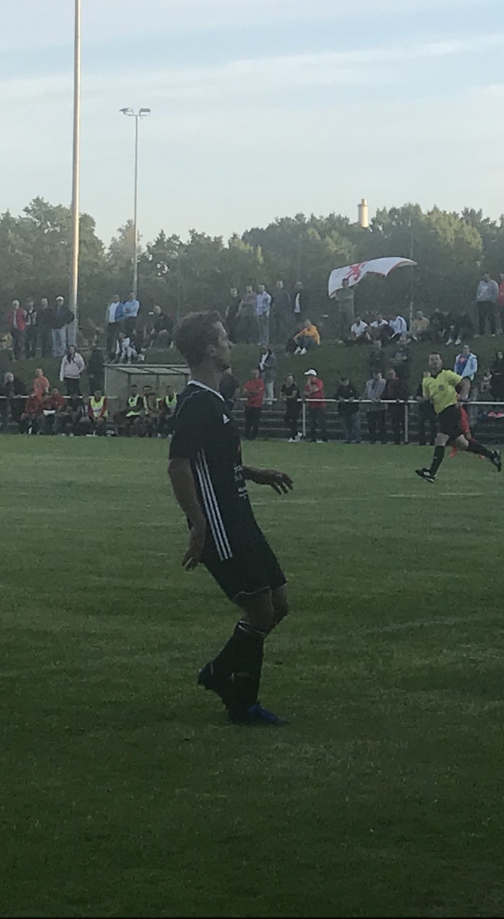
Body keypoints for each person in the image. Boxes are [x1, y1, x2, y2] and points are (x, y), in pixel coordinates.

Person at [165, 311, 293, 726]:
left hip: (239, 514)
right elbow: (178, 465)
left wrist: (253, 473)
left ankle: (221, 672)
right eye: (223, 339)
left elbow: (213, 460)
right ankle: (242, 703)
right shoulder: (196, 402)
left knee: (278, 604)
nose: (229, 344)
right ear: (209, 349)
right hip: (219, 522)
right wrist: (198, 523)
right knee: (260, 609)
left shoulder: (214, 399)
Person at [413, 351, 501, 482]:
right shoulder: (426, 380)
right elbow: (427, 397)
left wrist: (462, 398)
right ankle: (492, 455)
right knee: (463, 444)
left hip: (451, 410)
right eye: (432, 360)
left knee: (440, 439)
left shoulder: (447, 374)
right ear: (428, 363)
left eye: (437, 359)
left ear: (441, 361)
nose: (435, 362)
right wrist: (423, 399)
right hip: (441, 413)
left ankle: (431, 472)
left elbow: (465, 383)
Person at [240, 371, 265, 442]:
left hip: (257, 405)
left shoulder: (260, 382)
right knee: (248, 422)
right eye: (253, 374)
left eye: (256, 374)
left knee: (256, 422)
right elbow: (244, 393)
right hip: (249, 405)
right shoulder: (248, 383)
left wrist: (249, 393)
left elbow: (258, 391)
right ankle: (247, 436)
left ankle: (253, 436)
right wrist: (251, 393)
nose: (254, 375)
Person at [302, 369, 326, 442]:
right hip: (312, 405)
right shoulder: (308, 384)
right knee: (312, 422)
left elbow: (315, 390)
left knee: (321, 421)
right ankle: (313, 438)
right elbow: (306, 392)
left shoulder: (319, 382)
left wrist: (309, 391)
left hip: (319, 405)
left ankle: (324, 437)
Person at [335, 376, 361, 443]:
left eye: (345, 381)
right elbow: (335, 396)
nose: (344, 383)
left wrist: (353, 398)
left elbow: (358, 395)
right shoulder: (340, 389)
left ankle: (358, 438)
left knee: (356, 425)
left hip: (353, 410)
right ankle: (348, 438)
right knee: (347, 426)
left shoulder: (353, 388)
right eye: (343, 381)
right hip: (344, 410)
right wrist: (339, 398)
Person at [279, 375, 303, 443]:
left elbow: (293, 396)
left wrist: (286, 397)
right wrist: (283, 397)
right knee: (286, 419)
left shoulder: (294, 386)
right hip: (289, 406)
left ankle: (294, 436)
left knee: (294, 420)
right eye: (289, 379)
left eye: (291, 379)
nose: (290, 381)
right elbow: (281, 395)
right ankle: (296, 433)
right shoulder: (284, 386)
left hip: (296, 406)